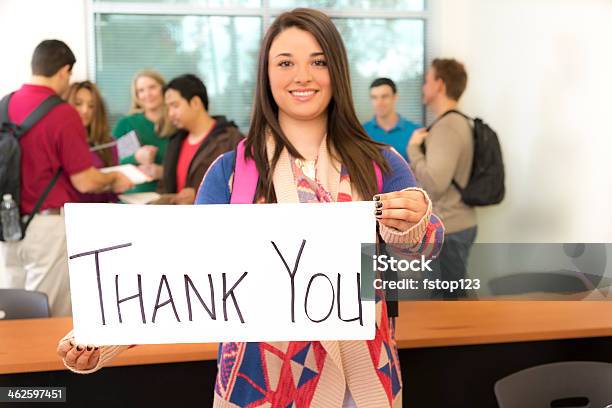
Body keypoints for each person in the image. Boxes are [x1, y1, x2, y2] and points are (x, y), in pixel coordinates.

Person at [57, 9, 444, 407]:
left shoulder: (379, 161)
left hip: (359, 381)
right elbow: (181, 267)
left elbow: (426, 245)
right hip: (258, 381)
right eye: (285, 63)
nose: (302, 76)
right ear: (265, 74)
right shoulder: (230, 172)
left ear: (338, 72)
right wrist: (102, 334)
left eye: (318, 61)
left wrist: (413, 223)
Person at [0, 40, 132, 317]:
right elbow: (84, 181)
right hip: (46, 225)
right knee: (49, 310)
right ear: (63, 71)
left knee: (12, 308)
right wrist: (112, 179)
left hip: (7, 222)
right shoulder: (62, 113)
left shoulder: (5, 104)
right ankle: (47, 362)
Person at [407, 58, 476, 299]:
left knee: (446, 307)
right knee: (450, 301)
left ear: (439, 85)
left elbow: (435, 184)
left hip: (450, 229)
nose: (423, 87)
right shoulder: (456, 122)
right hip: (456, 225)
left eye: (427, 81)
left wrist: (414, 149)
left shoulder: (447, 127)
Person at [154, 74, 243, 205]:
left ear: (195, 103)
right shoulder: (175, 141)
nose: (170, 114)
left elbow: (245, 188)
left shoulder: (232, 140)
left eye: (175, 105)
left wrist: (200, 194)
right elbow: (165, 186)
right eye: (168, 108)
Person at [112, 69, 174, 194]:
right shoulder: (126, 124)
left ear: (163, 89)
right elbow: (112, 163)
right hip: (131, 200)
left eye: (152, 87)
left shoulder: (176, 124)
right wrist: (136, 157)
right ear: (137, 95)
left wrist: (163, 172)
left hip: (167, 198)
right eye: (141, 90)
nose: (147, 94)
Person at [65, 80, 118, 203]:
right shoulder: (63, 143)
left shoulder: (108, 143)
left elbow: (114, 191)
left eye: (91, 106)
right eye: (78, 103)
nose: (85, 110)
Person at [363, 78, 419, 162]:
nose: (379, 103)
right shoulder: (361, 132)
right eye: (374, 97)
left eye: (384, 96)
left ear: (395, 97)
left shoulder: (415, 132)